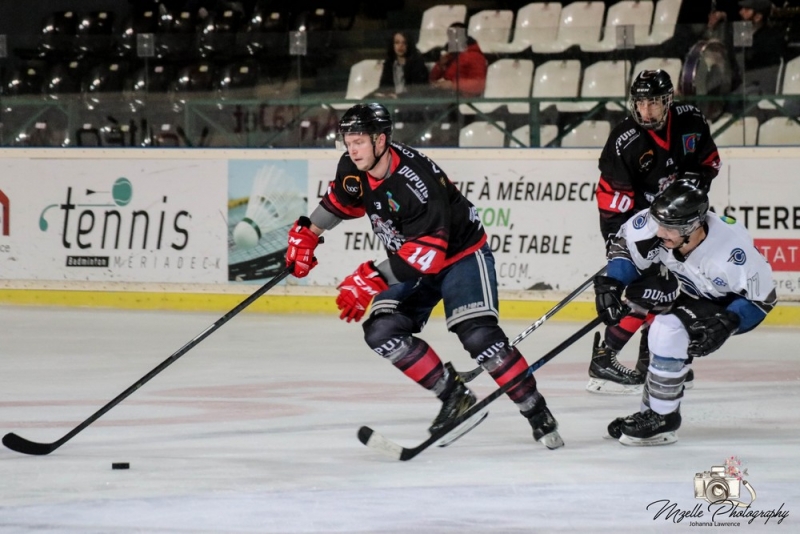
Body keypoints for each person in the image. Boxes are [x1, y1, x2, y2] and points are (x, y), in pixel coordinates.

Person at [285, 102, 564, 450]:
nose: (352, 148)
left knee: (477, 335)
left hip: (460, 255)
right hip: (410, 259)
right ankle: (454, 396)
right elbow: (341, 200)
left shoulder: (416, 182)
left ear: (381, 139)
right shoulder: (354, 167)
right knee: (381, 330)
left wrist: (372, 277)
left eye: (359, 140)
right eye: (348, 140)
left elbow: (429, 257)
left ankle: (536, 412)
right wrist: (308, 232)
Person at [596, 179, 777, 446]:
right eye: (658, 223)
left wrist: (729, 322)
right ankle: (654, 413)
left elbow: (763, 299)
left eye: (668, 228)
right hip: (694, 292)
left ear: (692, 226)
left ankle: (663, 419)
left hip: (730, 303)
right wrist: (612, 284)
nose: (659, 231)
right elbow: (626, 248)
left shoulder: (732, 252)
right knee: (659, 334)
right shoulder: (658, 225)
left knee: (667, 329)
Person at [588, 69, 722, 395]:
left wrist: (693, 186)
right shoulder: (625, 141)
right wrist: (618, 245)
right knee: (656, 289)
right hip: (637, 222)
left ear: (668, 101)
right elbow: (611, 201)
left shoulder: (690, 121)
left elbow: (709, 163)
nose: (646, 111)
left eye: (654, 103)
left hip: (677, 220)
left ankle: (654, 360)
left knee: (677, 289)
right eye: (641, 103)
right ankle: (608, 356)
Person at [428, 22, 488, 97]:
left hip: (463, 97)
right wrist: (440, 65)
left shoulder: (475, 57)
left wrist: (452, 85)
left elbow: (478, 85)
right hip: (447, 94)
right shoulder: (450, 55)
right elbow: (432, 78)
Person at [374, 31, 430, 98]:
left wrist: (399, 96)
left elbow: (419, 90)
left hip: (409, 102)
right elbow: (383, 86)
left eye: (404, 43)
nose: (400, 46)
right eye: (397, 42)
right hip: (391, 101)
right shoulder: (389, 63)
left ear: (409, 45)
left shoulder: (417, 64)